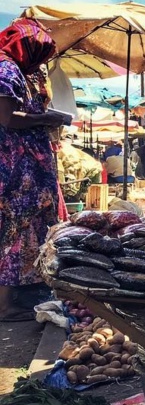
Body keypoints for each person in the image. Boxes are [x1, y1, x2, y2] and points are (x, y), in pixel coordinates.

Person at [0, 19, 64, 320]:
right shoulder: (6, 69)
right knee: (15, 229)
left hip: (27, 166)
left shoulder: (19, 71)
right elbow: (7, 118)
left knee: (25, 229)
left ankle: (22, 295)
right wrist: (45, 119)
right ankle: (5, 305)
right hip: (17, 169)